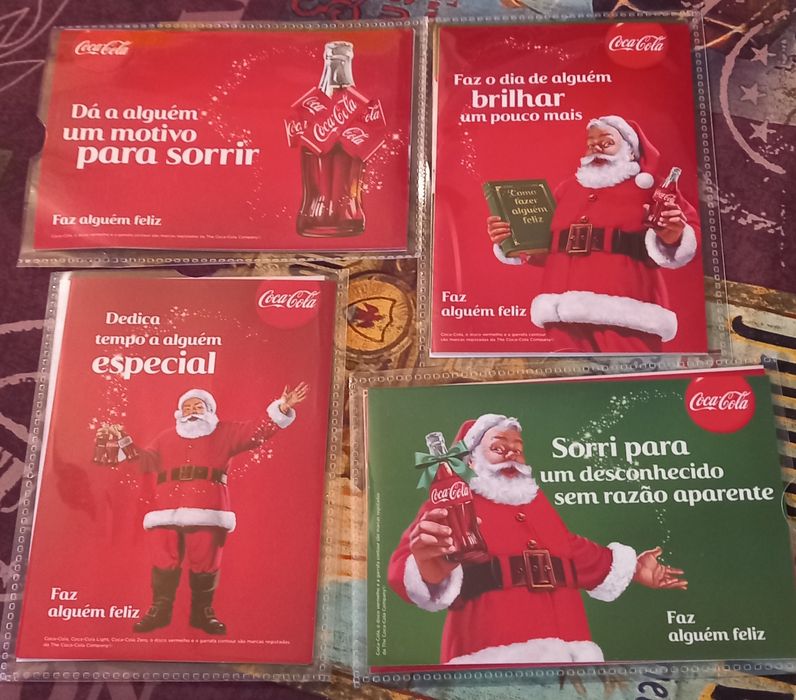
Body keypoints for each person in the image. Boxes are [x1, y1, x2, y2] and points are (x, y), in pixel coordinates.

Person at [388, 414, 687, 665]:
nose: (512, 454)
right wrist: (429, 563)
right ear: (471, 459)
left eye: (518, 448)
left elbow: (570, 549)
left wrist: (632, 567)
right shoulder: (453, 502)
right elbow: (407, 565)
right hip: (490, 653)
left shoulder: (536, 504)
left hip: (571, 653)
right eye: (498, 447)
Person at [97, 383, 308, 634]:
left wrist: (282, 408)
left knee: (206, 561)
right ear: (179, 412)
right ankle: (159, 610)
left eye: (197, 406)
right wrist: (123, 443)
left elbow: (256, 432)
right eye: (187, 407)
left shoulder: (226, 433)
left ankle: (202, 613)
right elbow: (145, 463)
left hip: (208, 507)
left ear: (209, 410)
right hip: (166, 507)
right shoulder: (165, 438)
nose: (191, 411)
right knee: (163, 559)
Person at [487, 115, 700, 353]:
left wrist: (673, 235)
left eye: (607, 142)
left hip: (628, 311)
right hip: (561, 310)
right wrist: (511, 239)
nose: (596, 149)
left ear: (630, 151)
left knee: (631, 370)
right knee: (566, 372)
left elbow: (689, 232)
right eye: (591, 144)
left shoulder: (654, 188)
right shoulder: (567, 189)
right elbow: (545, 246)